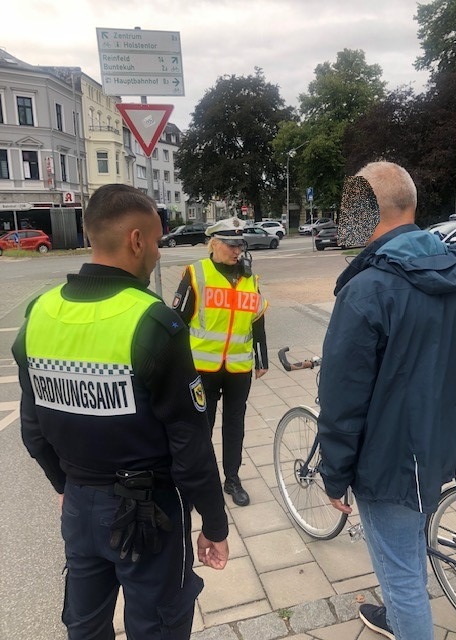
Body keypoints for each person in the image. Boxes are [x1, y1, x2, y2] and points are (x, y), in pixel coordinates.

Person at [12, 184, 229, 640]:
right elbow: (190, 444)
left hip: (79, 504)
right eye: (154, 242)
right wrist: (214, 522)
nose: (156, 253)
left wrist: (65, 485)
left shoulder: (40, 314)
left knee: (86, 626)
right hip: (148, 515)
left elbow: (33, 432)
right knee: (158, 625)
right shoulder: (152, 323)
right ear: (135, 240)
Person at [317, 162, 456, 640]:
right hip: (447, 445)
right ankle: (399, 616)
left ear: (366, 211)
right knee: (410, 550)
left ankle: (408, 624)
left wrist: (334, 474)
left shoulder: (367, 290)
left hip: (392, 461)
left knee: (403, 574)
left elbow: (343, 401)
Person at [172, 217, 268, 507]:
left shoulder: (250, 278)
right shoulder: (196, 273)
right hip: (203, 368)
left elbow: (257, 320)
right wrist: (176, 366)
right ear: (213, 243)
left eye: (240, 245)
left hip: (239, 368)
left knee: (234, 425)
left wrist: (261, 359)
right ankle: (203, 479)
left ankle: (233, 478)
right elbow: (177, 321)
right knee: (203, 426)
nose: (236, 250)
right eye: (230, 244)